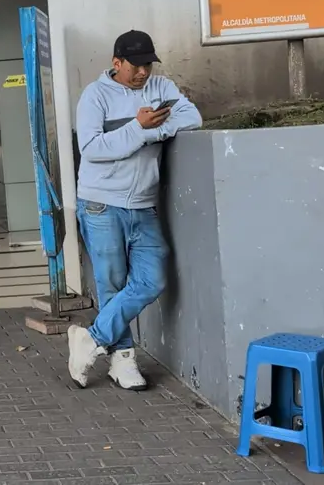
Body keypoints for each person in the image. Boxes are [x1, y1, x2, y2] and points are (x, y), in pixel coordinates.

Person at [66, 30, 202, 391]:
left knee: (153, 278)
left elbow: (192, 117)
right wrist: (139, 128)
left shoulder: (160, 87)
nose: (143, 72)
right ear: (116, 63)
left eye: (148, 64)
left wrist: (154, 132)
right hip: (101, 202)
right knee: (111, 284)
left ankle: (91, 339)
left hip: (143, 203)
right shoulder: (95, 96)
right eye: (136, 65)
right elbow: (92, 148)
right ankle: (123, 361)